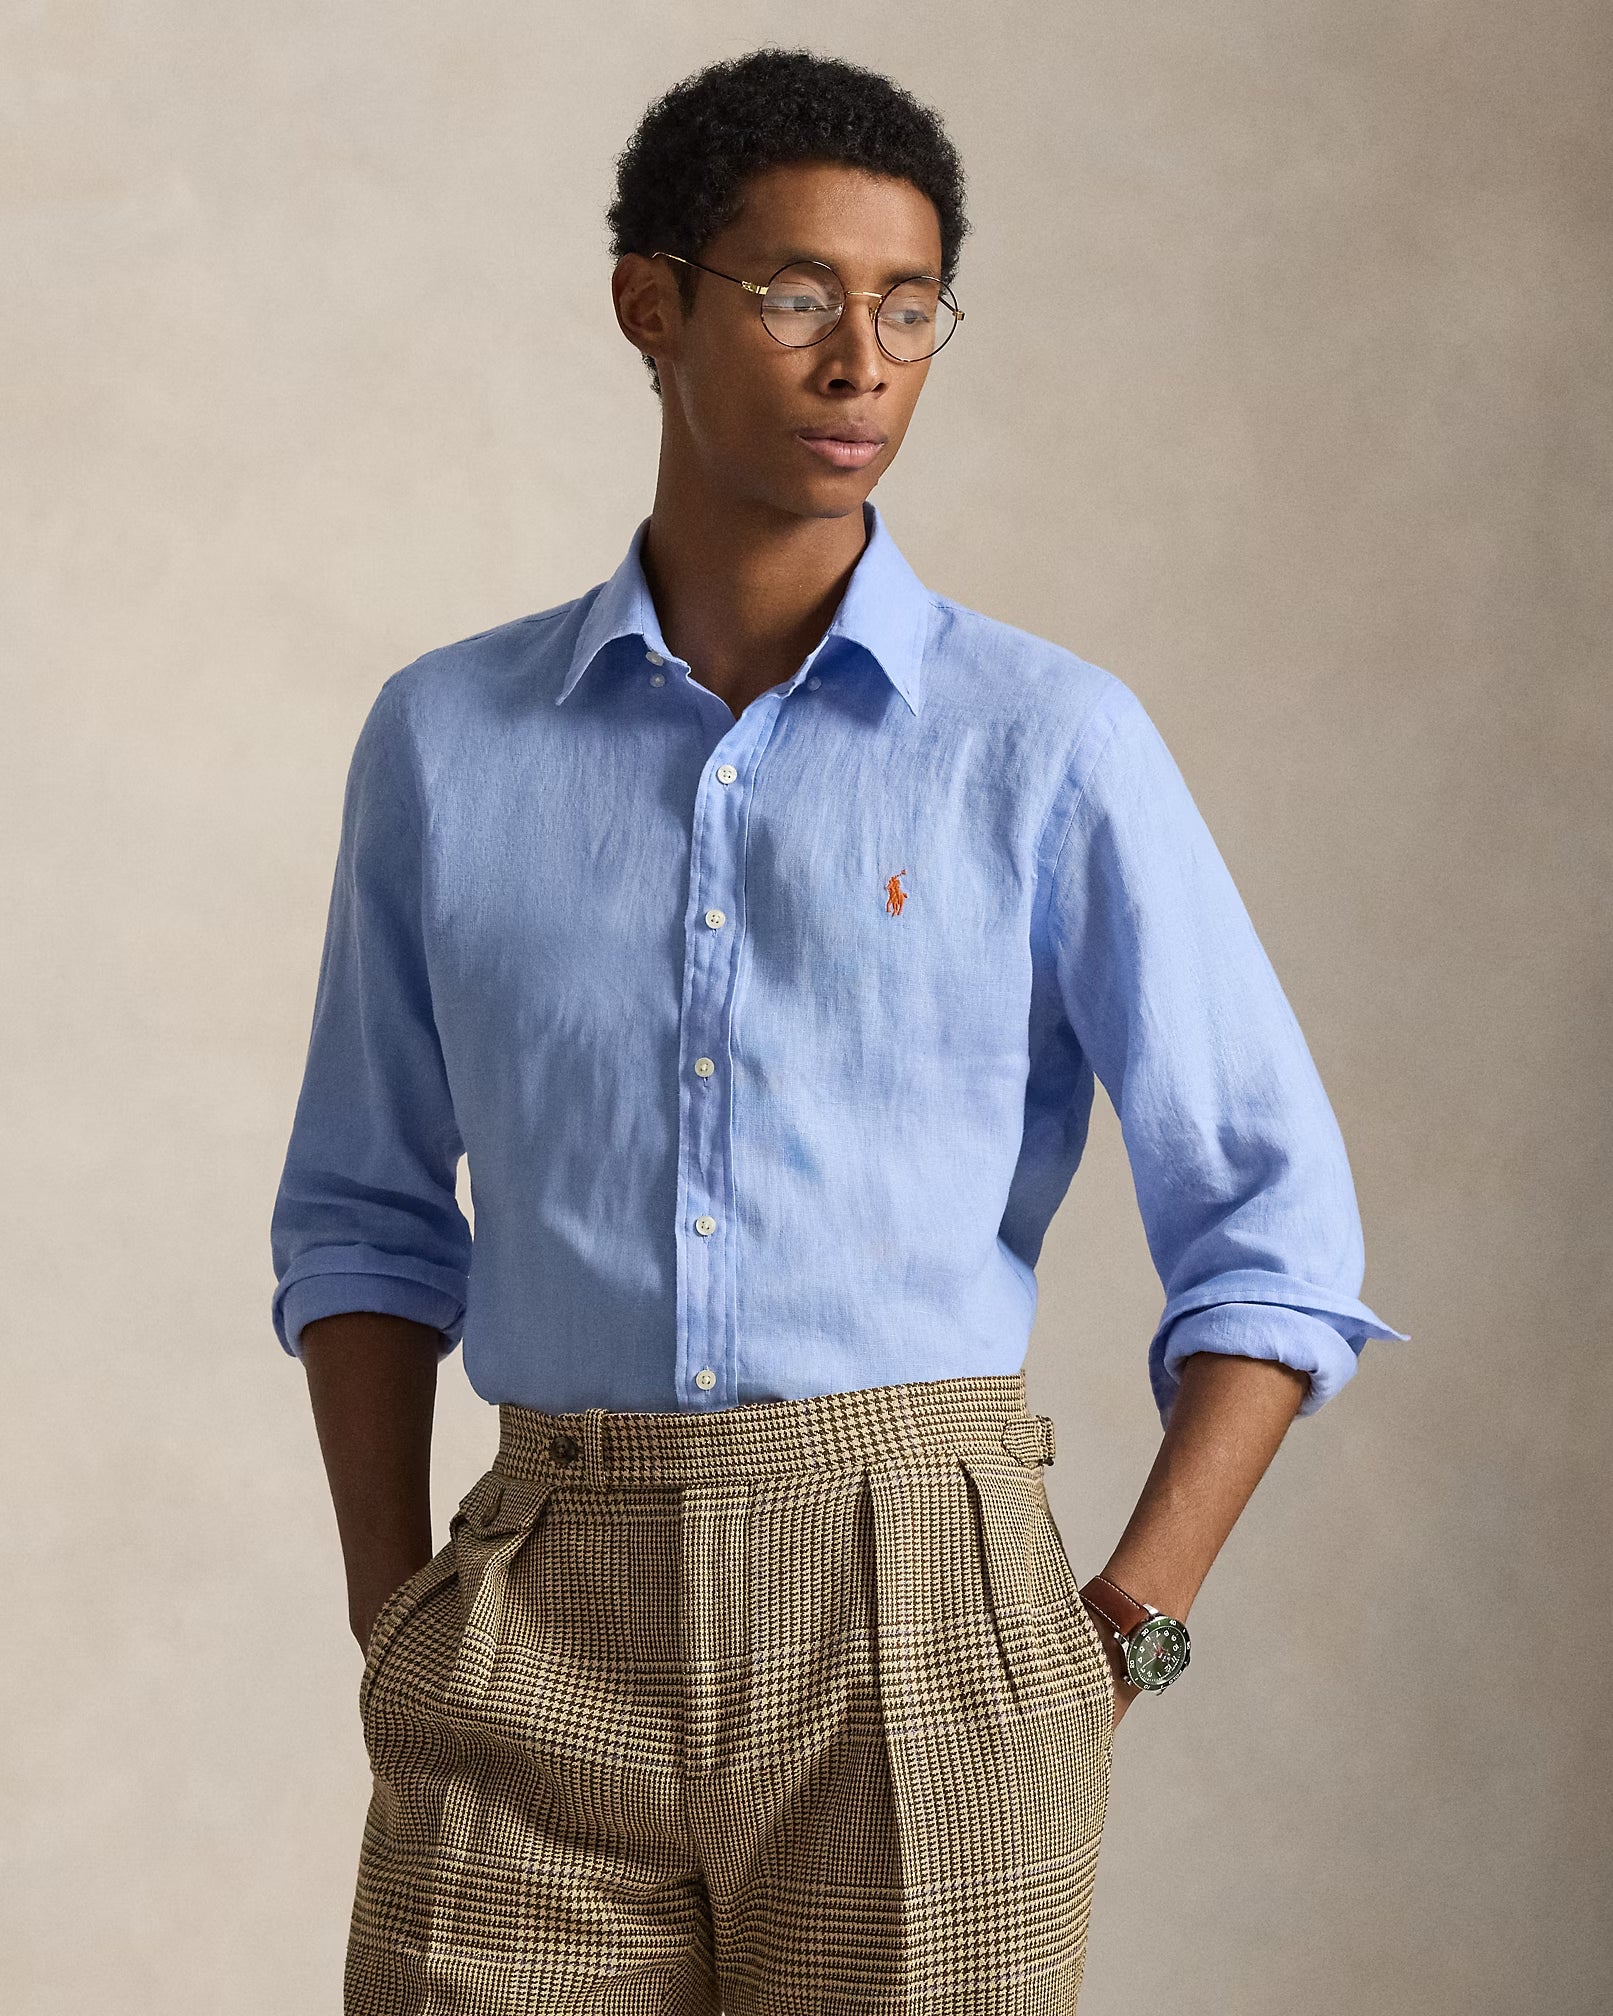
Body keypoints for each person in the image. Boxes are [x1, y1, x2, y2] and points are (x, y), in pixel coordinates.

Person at [271, 44, 1407, 2016]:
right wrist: (396, 1613)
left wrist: (1117, 1633)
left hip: (927, 1612)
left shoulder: (1045, 744)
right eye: (796, 294)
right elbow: (364, 1209)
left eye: (908, 306)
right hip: (543, 1595)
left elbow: (1275, 1235)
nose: (860, 363)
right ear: (650, 305)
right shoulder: (447, 742)